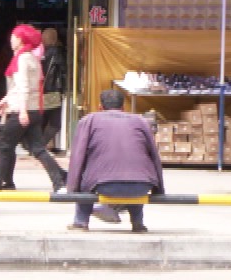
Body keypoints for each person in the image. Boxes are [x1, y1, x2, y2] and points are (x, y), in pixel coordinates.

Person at [65, 89, 164, 233]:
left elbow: (78, 157)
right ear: (123, 108)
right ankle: (138, 223)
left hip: (105, 185)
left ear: (100, 107)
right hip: (142, 186)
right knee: (136, 172)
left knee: (84, 178)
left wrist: (72, 189)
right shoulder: (141, 121)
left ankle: (80, 222)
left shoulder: (89, 121)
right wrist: (159, 190)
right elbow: (154, 156)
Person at [0, 24, 66, 195]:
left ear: (21, 40)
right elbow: (19, 87)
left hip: (22, 110)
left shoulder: (22, 59)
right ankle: (60, 179)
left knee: (3, 145)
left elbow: (23, 86)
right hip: (33, 109)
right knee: (37, 148)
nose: (11, 39)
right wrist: (4, 101)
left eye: (14, 36)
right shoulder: (30, 58)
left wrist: (21, 110)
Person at [40, 27, 68, 154]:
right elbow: (62, 72)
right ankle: (40, 146)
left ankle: (43, 146)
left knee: (44, 119)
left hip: (43, 90)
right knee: (55, 122)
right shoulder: (57, 52)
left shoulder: (40, 52)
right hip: (53, 91)